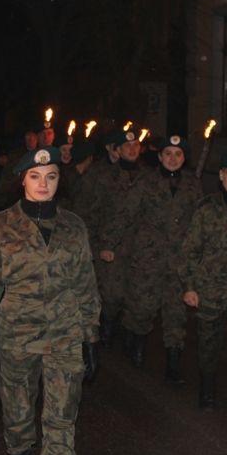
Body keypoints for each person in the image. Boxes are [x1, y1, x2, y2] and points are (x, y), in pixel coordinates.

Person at [0, 146, 100, 455]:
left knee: (61, 414)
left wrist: (91, 336)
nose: (44, 184)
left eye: (52, 176)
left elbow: (86, 284)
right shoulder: (0, 225)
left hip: (65, 334)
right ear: (22, 179)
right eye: (36, 176)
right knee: (19, 410)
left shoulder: (74, 226)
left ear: (59, 180)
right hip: (18, 335)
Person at [180, 151, 227, 423]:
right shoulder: (206, 209)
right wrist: (189, 286)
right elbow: (190, 250)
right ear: (222, 177)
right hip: (210, 289)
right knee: (209, 344)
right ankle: (207, 389)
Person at [121, 134, 202, 381]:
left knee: (175, 313)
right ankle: (136, 345)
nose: (173, 158)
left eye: (178, 154)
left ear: (184, 158)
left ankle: (173, 364)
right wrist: (112, 243)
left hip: (179, 260)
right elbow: (128, 214)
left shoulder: (193, 185)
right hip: (149, 257)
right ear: (159, 157)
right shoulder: (146, 182)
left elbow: (199, 222)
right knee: (143, 307)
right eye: (168, 153)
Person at [91, 130, 151, 348]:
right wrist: (99, 245)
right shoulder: (105, 176)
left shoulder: (148, 177)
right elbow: (94, 212)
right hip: (112, 248)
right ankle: (106, 331)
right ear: (118, 150)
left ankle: (129, 340)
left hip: (140, 248)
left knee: (136, 296)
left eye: (136, 145)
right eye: (127, 146)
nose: (133, 149)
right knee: (112, 295)